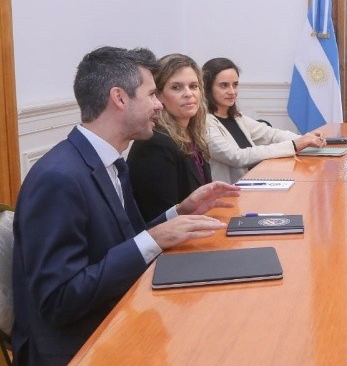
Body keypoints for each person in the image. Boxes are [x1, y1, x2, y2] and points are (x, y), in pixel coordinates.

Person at [11, 47, 238, 365]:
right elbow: (59, 300)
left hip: (120, 313)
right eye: (151, 94)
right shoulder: (59, 178)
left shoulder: (110, 162)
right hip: (80, 346)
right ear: (119, 98)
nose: (159, 105)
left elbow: (126, 242)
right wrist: (156, 238)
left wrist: (180, 212)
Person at [202, 57, 326, 184]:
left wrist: (306, 139)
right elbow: (237, 157)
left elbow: (271, 134)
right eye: (224, 86)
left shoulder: (237, 117)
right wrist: (295, 145)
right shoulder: (204, 123)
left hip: (253, 184)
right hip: (228, 196)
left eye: (235, 85)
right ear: (207, 87)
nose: (232, 91)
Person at [127, 54, 212, 222]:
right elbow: (162, 217)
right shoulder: (155, 143)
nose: (189, 94)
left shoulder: (191, 134)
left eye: (193, 86)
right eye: (176, 87)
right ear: (159, 95)